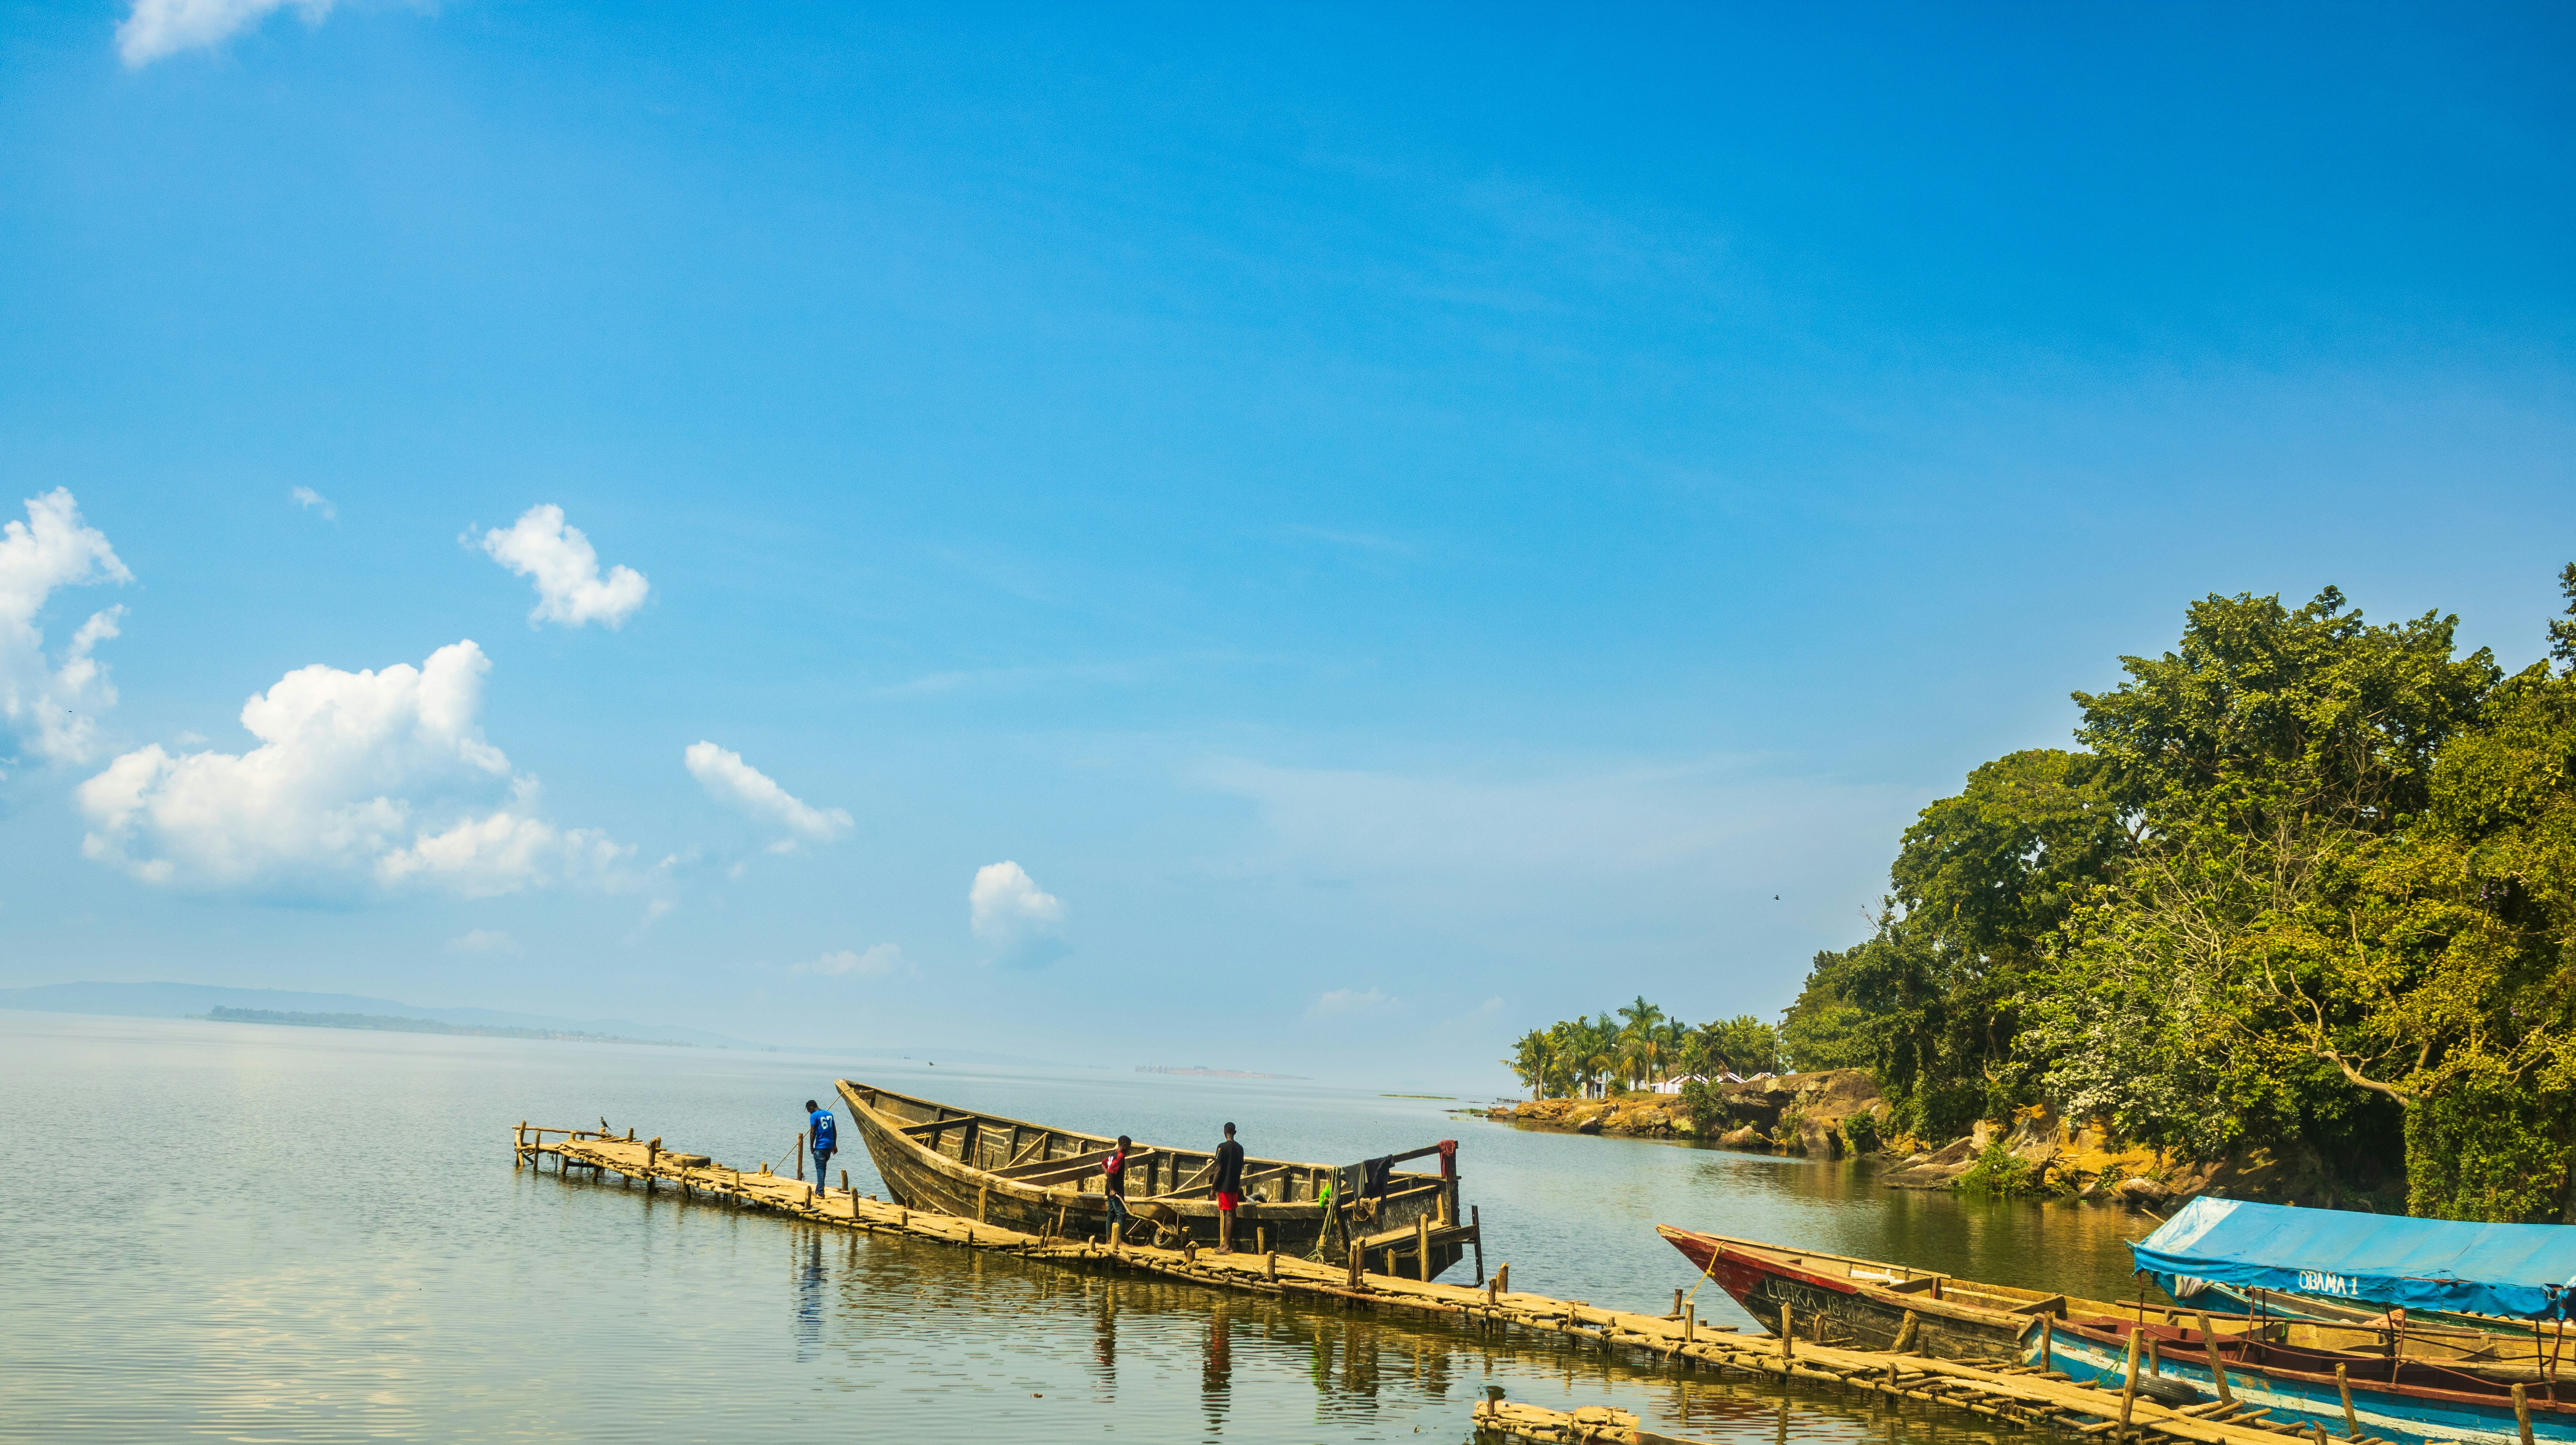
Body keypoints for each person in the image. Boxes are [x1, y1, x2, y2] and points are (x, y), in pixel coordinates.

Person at [1211, 1122, 1246, 1253]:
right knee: (1232, 1212)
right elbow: (1241, 1166)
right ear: (1235, 1133)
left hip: (1225, 1187)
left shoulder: (1221, 1148)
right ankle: (1226, 1243)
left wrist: (1213, 1188)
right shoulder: (1240, 1148)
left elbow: (1219, 1169)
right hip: (1235, 1185)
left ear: (1224, 1132)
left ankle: (1227, 1246)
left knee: (1228, 1214)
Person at [1102, 1135, 1132, 1242]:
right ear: (1124, 1145)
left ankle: (1109, 1239)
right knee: (1122, 1214)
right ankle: (1119, 1240)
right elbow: (1110, 1172)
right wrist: (1112, 1189)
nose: (1129, 1149)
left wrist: (1108, 1175)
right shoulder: (1120, 1156)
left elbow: (1103, 1164)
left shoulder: (1113, 1154)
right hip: (1115, 1191)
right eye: (1129, 1146)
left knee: (1111, 1213)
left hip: (1109, 1189)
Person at [806, 1098, 837, 1192]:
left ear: (811, 1108)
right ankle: (819, 1188)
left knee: (820, 1169)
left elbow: (813, 1132)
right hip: (829, 1146)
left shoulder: (814, 1115)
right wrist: (834, 1145)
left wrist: (811, 1147)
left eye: (809, 1111)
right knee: (823, 1168)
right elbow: (834, 1131)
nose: (810, 1114)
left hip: (820, 1146)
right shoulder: (830, 1114)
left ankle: (820, 1192)